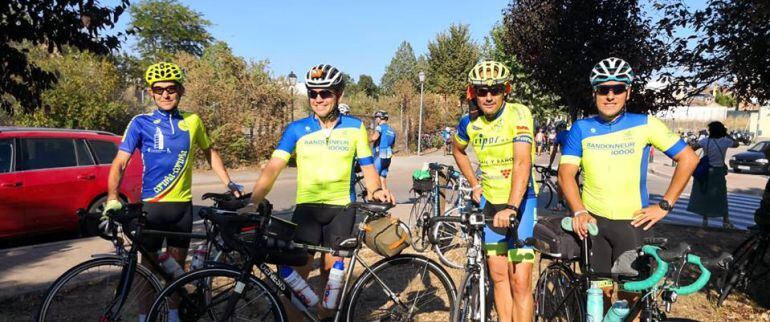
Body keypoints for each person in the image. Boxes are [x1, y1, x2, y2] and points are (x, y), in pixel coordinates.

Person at [245, 64, 394, 321]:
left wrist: (376, 190)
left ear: (338, 94)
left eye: (325, 93)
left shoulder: (355, 127)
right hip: (307, 210)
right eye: (313, 93)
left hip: (342, 209)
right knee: (296, 279)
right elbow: (273, 168)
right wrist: (252, 202)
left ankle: (326, 319)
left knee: (331, 277)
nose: (318, 99)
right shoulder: (296, 129)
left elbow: (368, 166)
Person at [103, 62, 243, 322]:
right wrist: (112, 197)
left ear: (181, 90)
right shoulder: (140, 122)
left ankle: (174, 315)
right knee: (148, 269)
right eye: (159, 89)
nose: (166, 94)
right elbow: (120, 162)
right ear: (151, 92)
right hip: (152, 208)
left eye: (171, 88)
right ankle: (145, 317)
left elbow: (209, 151)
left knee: (177, 268)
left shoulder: (193, 121)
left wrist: (229, 183)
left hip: (181, 208)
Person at [558, 57, 698, 316]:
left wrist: (665, 205)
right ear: (595, 92)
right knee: (598, 294)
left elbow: (688, 158)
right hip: (594, 223)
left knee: (630, 299)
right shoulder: (582, 128)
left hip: (632, 224)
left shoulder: (645, 124)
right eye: (603, 89)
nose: (610, 95)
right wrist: (578, 211)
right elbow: (566, 174)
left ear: (628, 91)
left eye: (617, 89)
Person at [452, 60, 537, 322]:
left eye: (495, 90)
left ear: (505, 91)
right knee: (499, 278)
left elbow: (522, 161)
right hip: (490, 204)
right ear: (473, 93)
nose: (488, 97)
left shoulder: (519, 113)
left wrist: (511, 206)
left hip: (521, 204)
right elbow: (457, 150)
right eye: (482, 91)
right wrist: (474, 183)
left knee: (520, 281)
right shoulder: (468, 123)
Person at [686, 121, 739, 229]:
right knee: (721, 196)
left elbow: (693, 147)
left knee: (705, 195)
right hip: (718, 172)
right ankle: (725, 220)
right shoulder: (725, 141)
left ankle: (705, 220)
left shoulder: (706, 141)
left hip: (706, 171)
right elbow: (736, 143)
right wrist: (726, 134)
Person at [370, 110, 397, 190]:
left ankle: (373, 197)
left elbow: (375, 137)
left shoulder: (379, 127)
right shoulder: (391, 130)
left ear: (380, 118)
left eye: (376, 118)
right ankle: (386, 199)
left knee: (374, 177)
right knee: (382, 178)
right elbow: (392, 145)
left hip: (380, 155)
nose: (376, 119)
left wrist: (364, 140)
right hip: (388, 157)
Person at [547, 121, 570, 211]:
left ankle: (560, 204)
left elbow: (554, 151)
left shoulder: (560, 135)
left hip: (566, 160)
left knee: (560, 181)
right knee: (574, 182)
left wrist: (550, 164)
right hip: (577, 161)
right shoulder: (571, 133)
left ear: (558, 128)